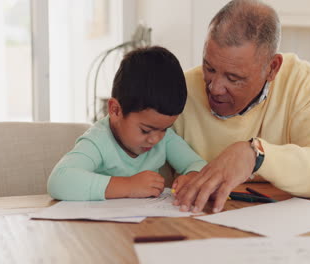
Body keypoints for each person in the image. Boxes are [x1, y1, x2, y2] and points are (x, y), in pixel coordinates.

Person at [172, 0, 310, 213]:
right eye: (209, 68)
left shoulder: (299, 81)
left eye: (233, 78)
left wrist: (256, 155)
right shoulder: (179, 90)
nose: (215, 88)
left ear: (272, 68)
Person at [47, 46, 207, 201]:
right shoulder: (98, 140)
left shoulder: (163, 137)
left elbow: (197, 163)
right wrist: (129, 186)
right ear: (115, 110)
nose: (155, 139)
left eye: (165, 129)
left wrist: (192, 177)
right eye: (145, 130)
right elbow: (59, 181)